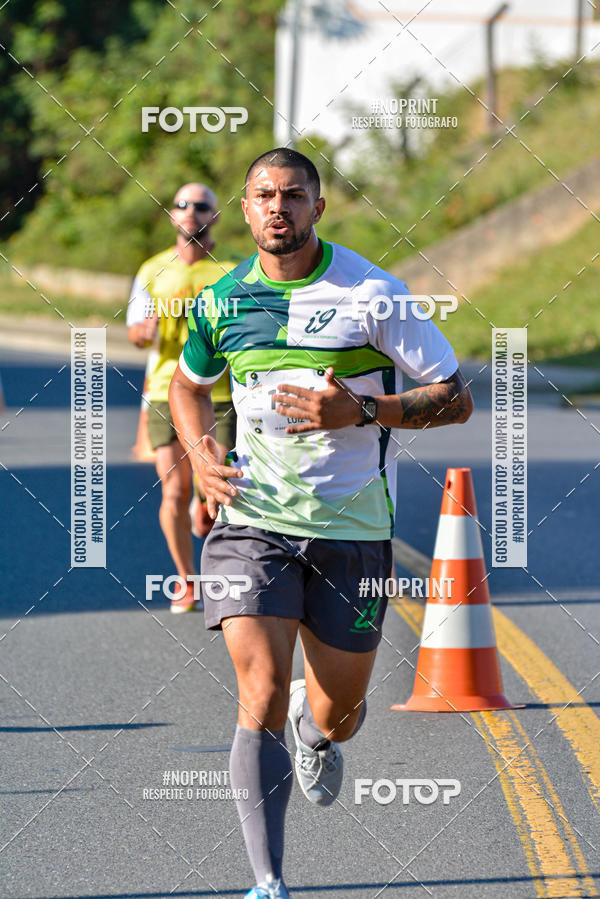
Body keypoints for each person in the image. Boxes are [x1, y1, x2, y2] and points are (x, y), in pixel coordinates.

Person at [169, 148, 473, 897]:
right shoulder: (222, 302)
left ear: (318, 208)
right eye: (264, 196)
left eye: (294, 196)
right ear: (244, 210)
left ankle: (316, 729)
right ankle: (268, 880)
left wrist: (366, 408)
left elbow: (456, 396)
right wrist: (202, 453)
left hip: (352, 527)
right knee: (262, 688)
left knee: (341, 711)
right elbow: (188, 384)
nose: (279, 207)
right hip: (253, 521)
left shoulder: (375, 294)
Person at [127, 182, 236, 613]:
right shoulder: (152, 269)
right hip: (163, 391)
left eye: (202, 206)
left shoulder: (232, 272)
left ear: (215, 217)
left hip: (219, 394)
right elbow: (136, 332)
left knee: (216, 492)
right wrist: (144, 332)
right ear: (172, 215)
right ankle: (187, 580)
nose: (191, 211)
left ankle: (205, 517)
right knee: (173, 491)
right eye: (183, 205)